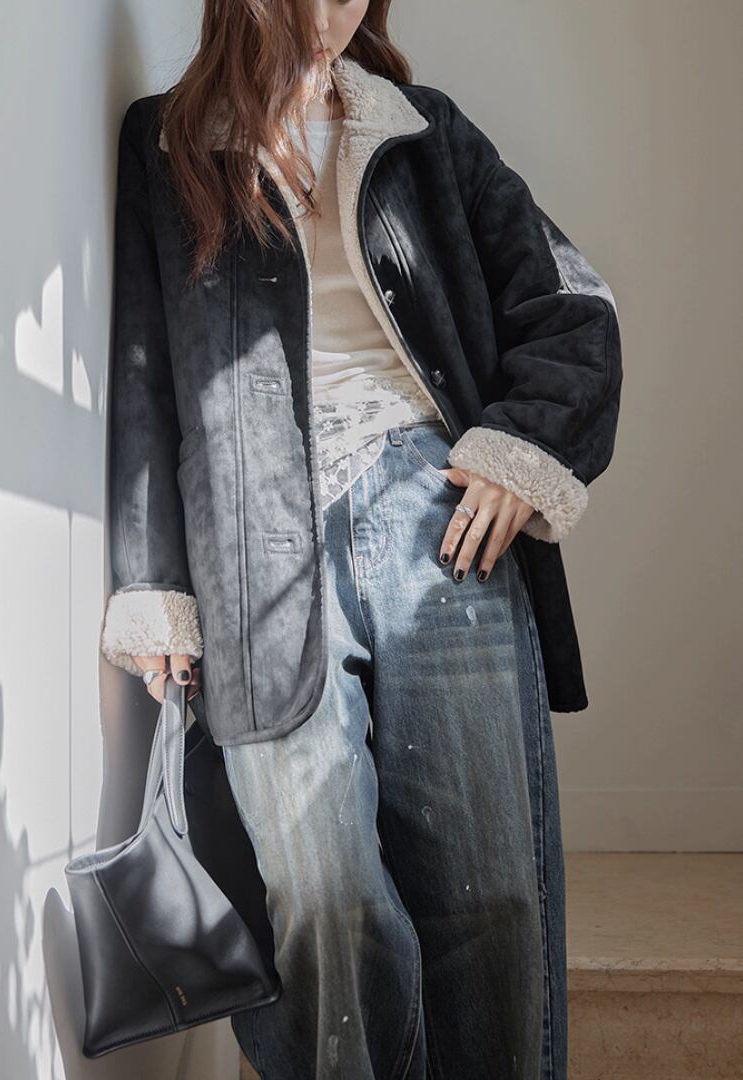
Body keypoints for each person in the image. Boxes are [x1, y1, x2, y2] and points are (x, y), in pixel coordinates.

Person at [98, 1, 623, 1077]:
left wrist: (518, 447)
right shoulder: (167, 144)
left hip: (438, 519)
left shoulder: (424, 132)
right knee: (321, 892)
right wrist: (150, 579)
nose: (331, 12)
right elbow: (144, 370)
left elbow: (573, 304)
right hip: (256, 537)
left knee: (490, 892)